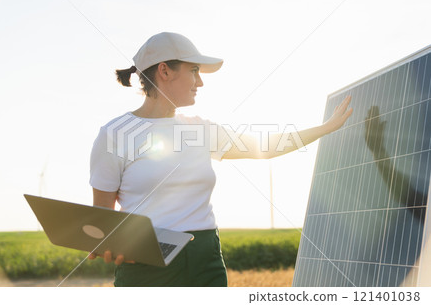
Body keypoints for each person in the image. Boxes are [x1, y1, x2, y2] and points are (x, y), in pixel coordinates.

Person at [87, 32, 353, 287]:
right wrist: (111, 243)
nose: (200, 82)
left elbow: (267, 147)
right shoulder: (115, 134)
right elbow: (103, 218)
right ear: (165, 71)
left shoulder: (201, 130)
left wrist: (325, 128)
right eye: (193, 71)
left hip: (206, 262)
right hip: (146, 269)